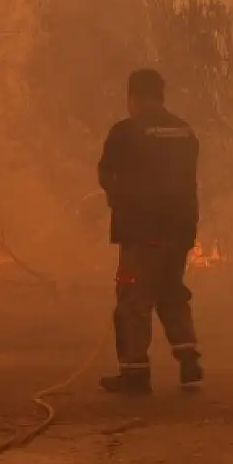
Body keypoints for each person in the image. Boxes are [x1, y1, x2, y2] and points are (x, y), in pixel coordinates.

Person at [96, 67, 204, 395]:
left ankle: (135, 373)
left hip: (141, 231)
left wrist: (117, 198)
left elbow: (107, 175)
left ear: (134, 97)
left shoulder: (125, 132)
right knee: (170, 292)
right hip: (180, 231)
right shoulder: (185, 132)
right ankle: (188, 359)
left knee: (134, 300)